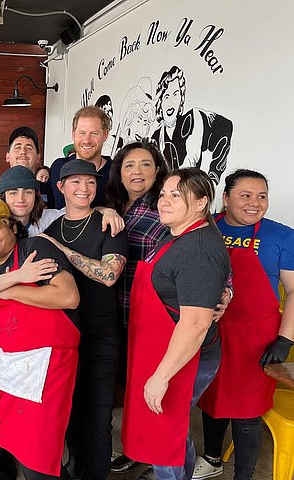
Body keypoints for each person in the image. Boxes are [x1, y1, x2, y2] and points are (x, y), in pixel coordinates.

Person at [121, 168, 231, 480]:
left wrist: (161, 376)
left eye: (176, 195)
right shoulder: (175, 234)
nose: (165, 202)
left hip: (185, 358)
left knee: (163, 436)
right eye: (163, 195)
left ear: (201, 203)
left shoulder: (199, 250)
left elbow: (195, 324)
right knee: (173, 429)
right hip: (164, 349)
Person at [0, 198, 80, 479]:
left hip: (51, 360)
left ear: (13, 227)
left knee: (36, 453)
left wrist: (7, 291)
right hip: (8, 361)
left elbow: (68, 296)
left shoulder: (35, 249)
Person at [193, 169, 294, 480]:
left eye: (261, 196)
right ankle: (211, 459)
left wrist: (285, 339)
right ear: (225, 198)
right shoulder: (204, 227)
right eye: (245, 196)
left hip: (257, 338)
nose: (255, 203)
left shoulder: (282, 235)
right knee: (212, 398)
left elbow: (293, 291)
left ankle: (244, 475)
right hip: (211, 329)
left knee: (247, 410)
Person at [42, 160, 128, 480]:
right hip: (64, 336)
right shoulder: (51, 229)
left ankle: (97, 474)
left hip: (102, 336)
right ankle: (76, 468)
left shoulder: (109, 225)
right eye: (75, 182)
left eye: (90, 182)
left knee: (98, 413)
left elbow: (108, 275)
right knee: (70, 411)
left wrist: (60, 249)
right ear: (60, 187)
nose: (83, 188)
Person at [104, 140, 170, 473]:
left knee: (149, 388)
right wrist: (106, 210)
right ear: (120, 172)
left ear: (158, 170)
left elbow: (201, 240)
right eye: (130, 165)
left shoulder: (167, 207)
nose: (137, 171)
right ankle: (135, 447)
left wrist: (225, 289)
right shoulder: (112, 203)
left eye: (146, 164)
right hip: (114, 312)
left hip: (149, 315)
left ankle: (154, 457)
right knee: (126, 384)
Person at [151, 66, 233, 185]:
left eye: (176, 94)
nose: (171, 102)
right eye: (167, 96)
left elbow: (225, 126)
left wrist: (213, 178)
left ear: (181, 99)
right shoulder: (157, 136)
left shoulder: (193, 119)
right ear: (160, 102)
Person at [49, 106, 113, 209]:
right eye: (82, 133)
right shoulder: (58, 167)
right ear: (73, 135)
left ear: (105, 135)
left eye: (94, 133)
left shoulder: (117, 172)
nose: (87, 140)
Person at [0, 126, 42, 192]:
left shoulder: (50, 191)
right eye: (17, 147)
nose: (23, 152)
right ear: (7, 157)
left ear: (38, 157)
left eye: (29, 148)